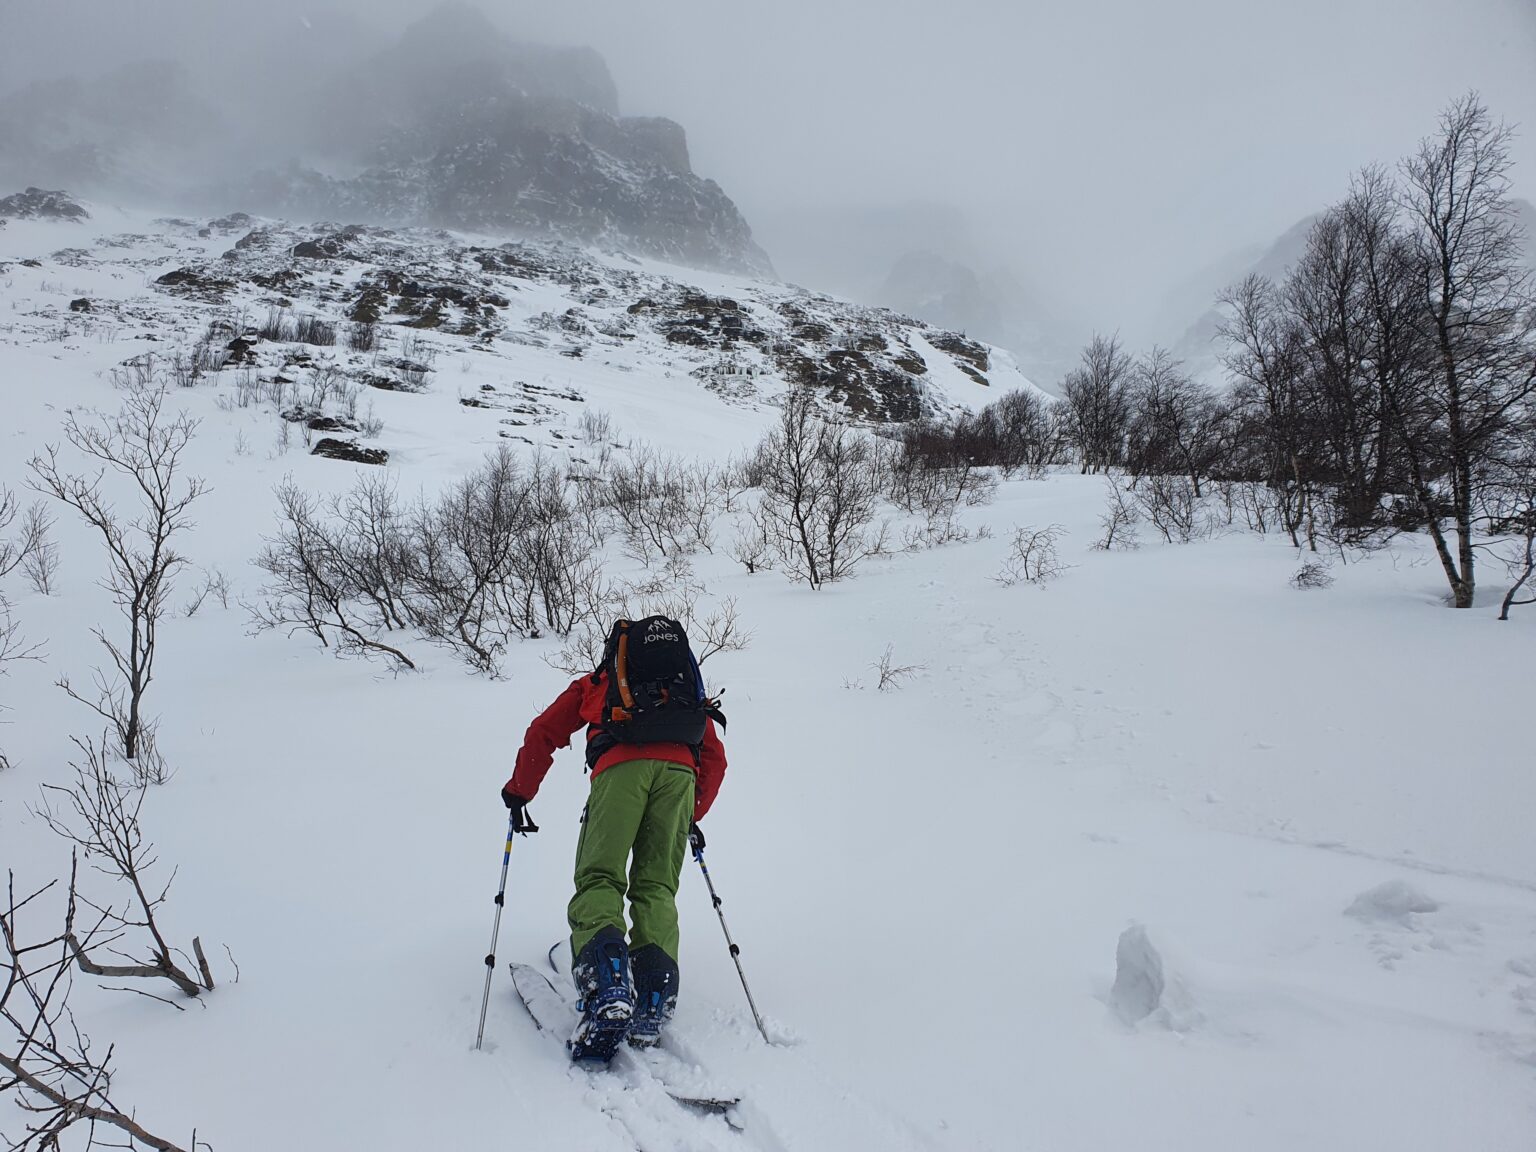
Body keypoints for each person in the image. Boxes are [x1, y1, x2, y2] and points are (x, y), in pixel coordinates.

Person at [500, 616, 727, 1062]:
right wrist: (690, 814)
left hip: (619, 771)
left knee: (600, 876)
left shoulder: (596, 684)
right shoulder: (682, 694)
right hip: (680, 774)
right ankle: (654, 993)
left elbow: (543, 733)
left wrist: (519, 791)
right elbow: (715, 759)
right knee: (657, 885)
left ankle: (608, 984)